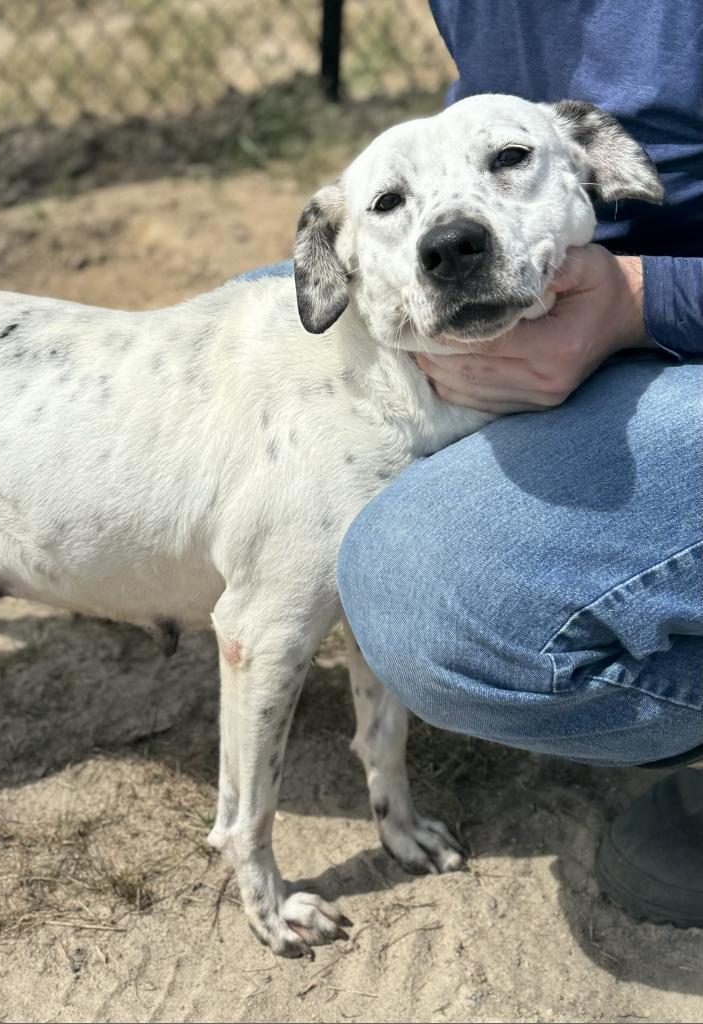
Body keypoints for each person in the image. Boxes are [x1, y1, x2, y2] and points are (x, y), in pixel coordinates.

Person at [253, 2, 703, 927]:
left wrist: (641, 302)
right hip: (582, 274)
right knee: (233, 339)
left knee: (420, 591)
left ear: (604, 164)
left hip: (657, 299)